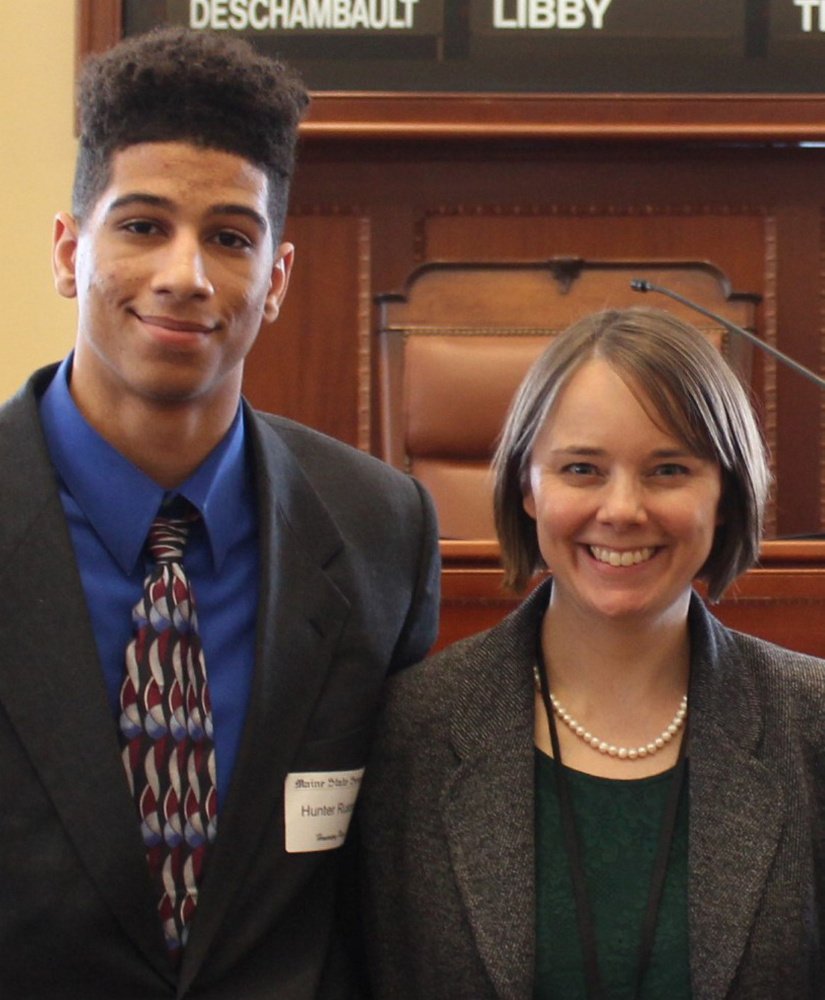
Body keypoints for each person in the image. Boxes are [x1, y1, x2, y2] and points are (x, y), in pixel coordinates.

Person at [0, 26, 440, 1000]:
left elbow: (389, 886)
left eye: (231, 238)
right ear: (70, 253)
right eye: (144, 225)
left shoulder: (381, 531)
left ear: (275, 280)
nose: (187, 274)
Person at [359, 307, 825, 999]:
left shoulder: (809, 724)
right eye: (581, 468)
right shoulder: (410, 729)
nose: (622, 510)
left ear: (724, 493)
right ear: (526, 486)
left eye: (667, 469)